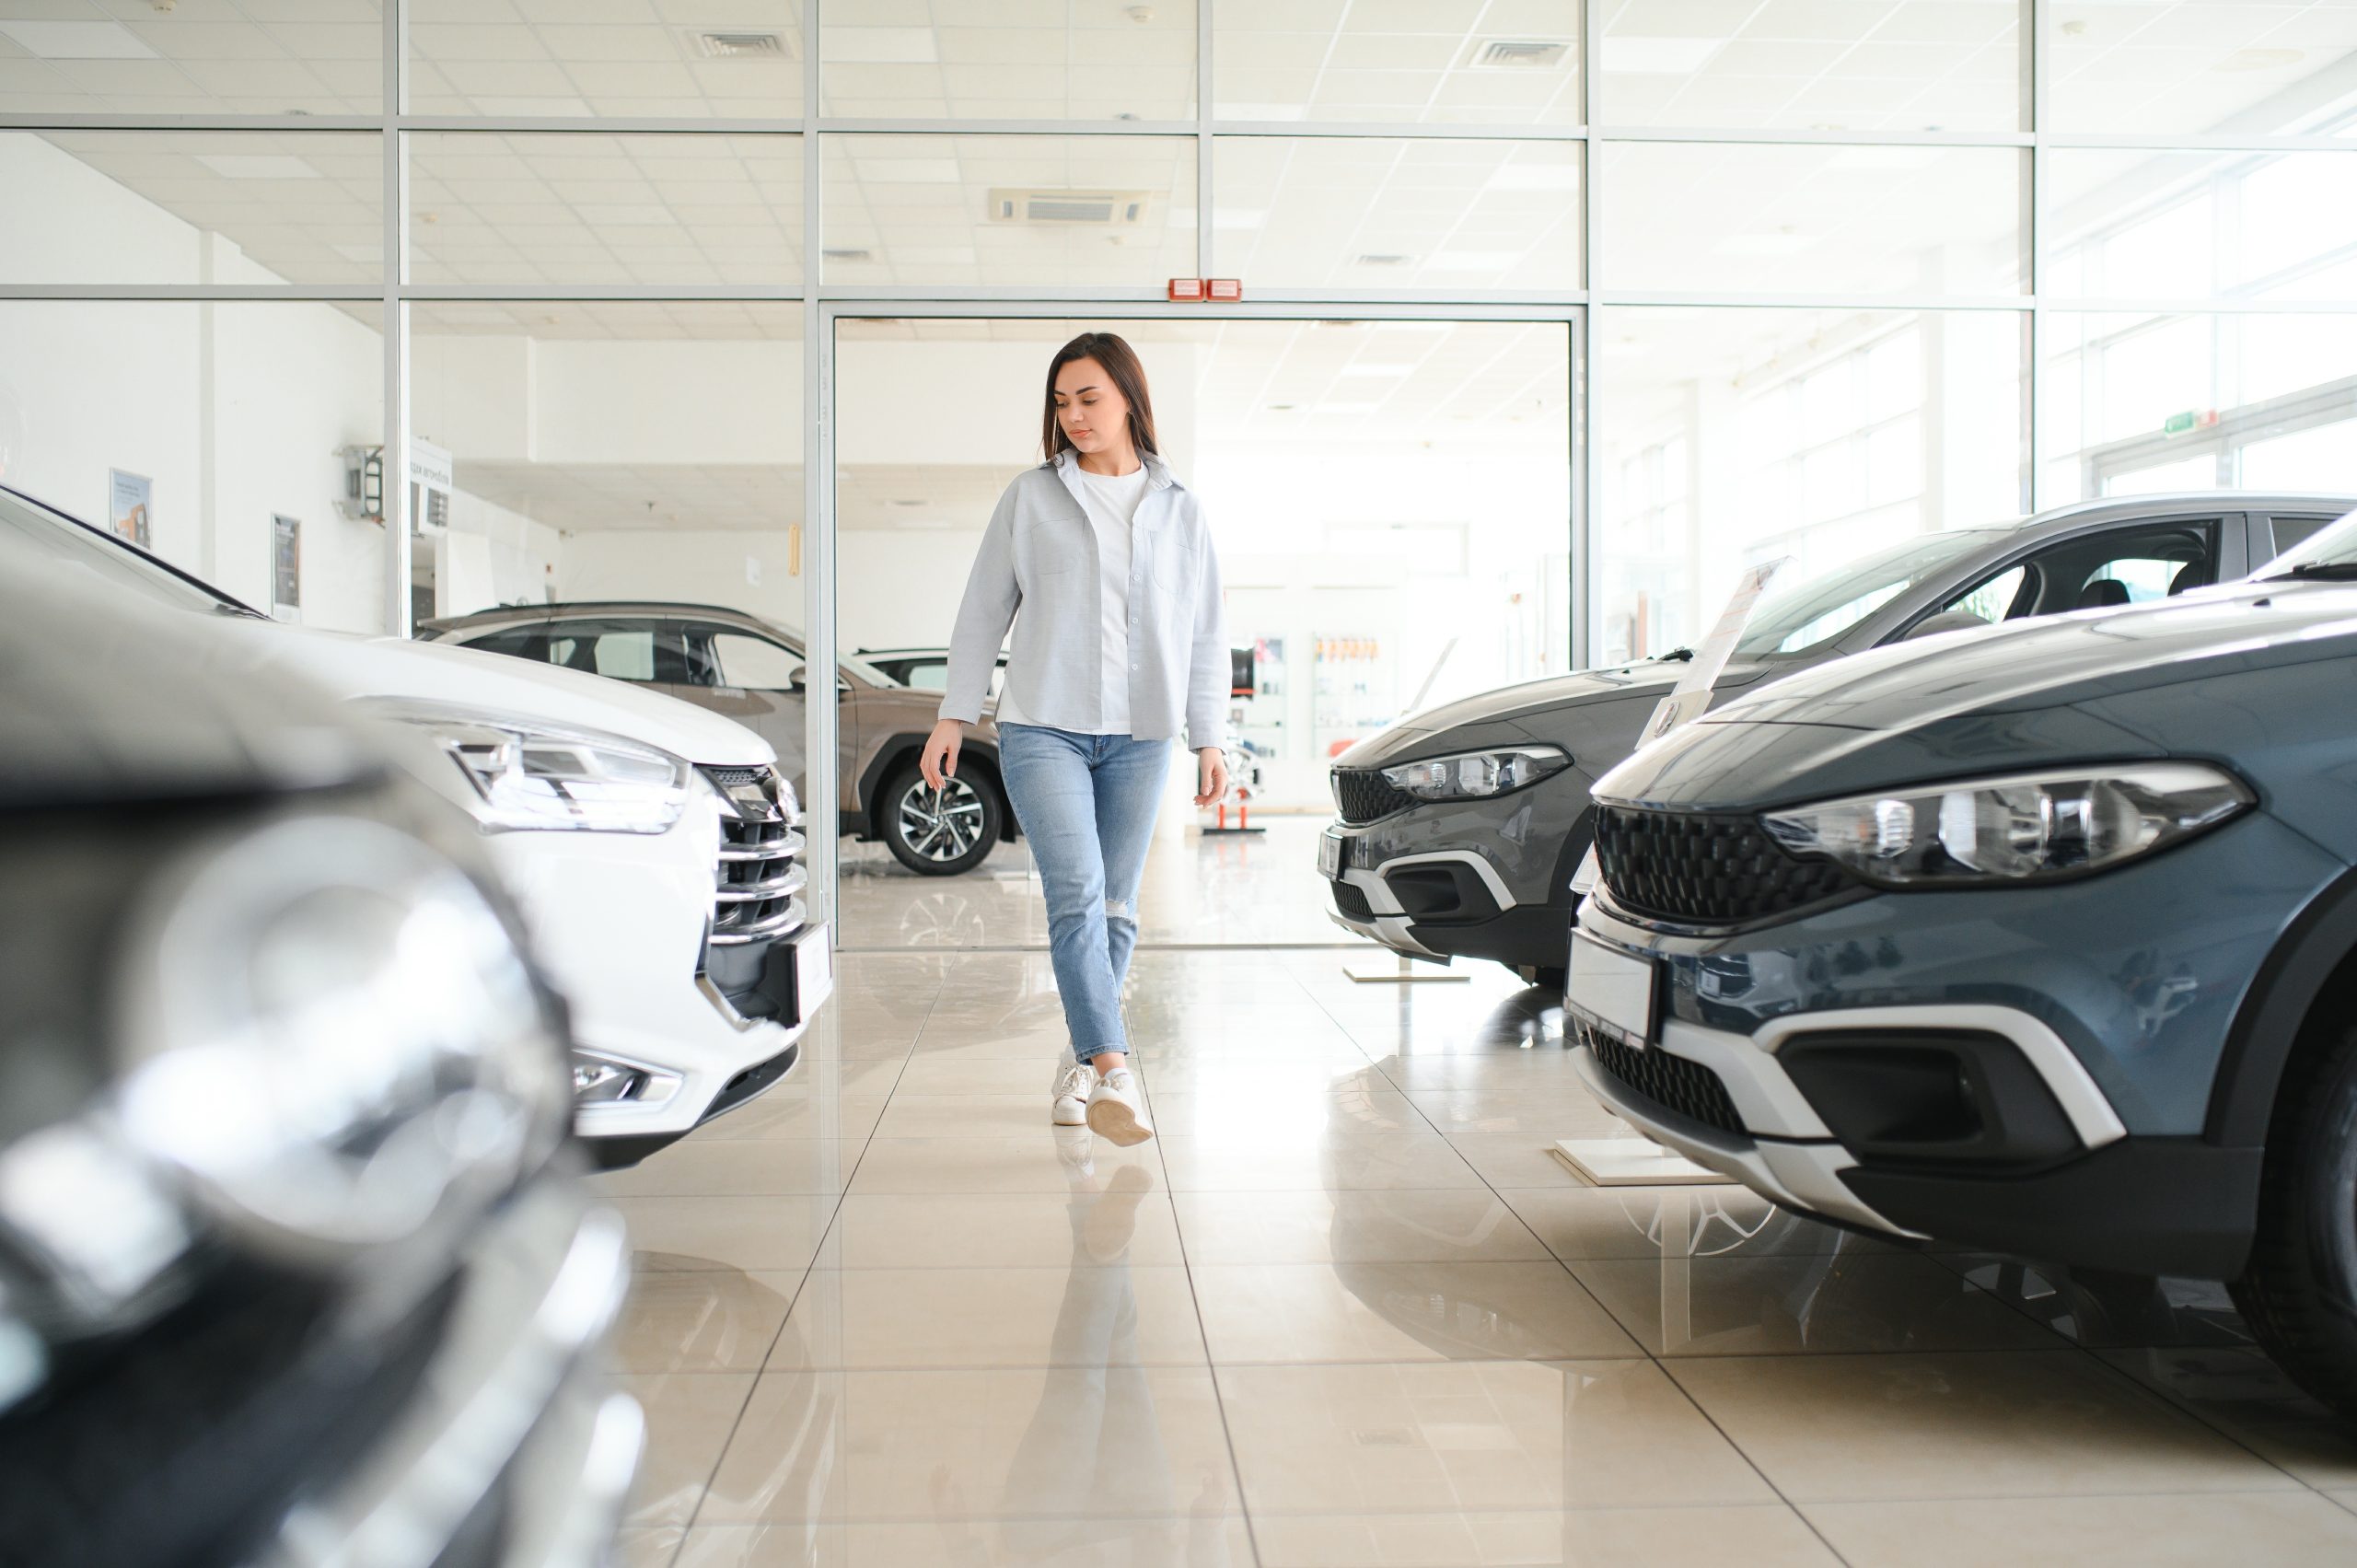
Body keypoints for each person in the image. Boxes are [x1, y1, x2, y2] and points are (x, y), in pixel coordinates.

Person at [921, 331, 1228, 1146]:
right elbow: (983, 608)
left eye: (1089, 398)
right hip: (1042, 725)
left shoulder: (1180, 510)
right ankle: (1117, 1065)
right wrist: (954, 712)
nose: (1074, 415)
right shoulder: (1030, 499)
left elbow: (1204, 633)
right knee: (1078, 893)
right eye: (1062, 402)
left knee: (1118, 907)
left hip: (1142, 734)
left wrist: (1210, 737)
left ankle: (1080, 1067)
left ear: (1129, 398)